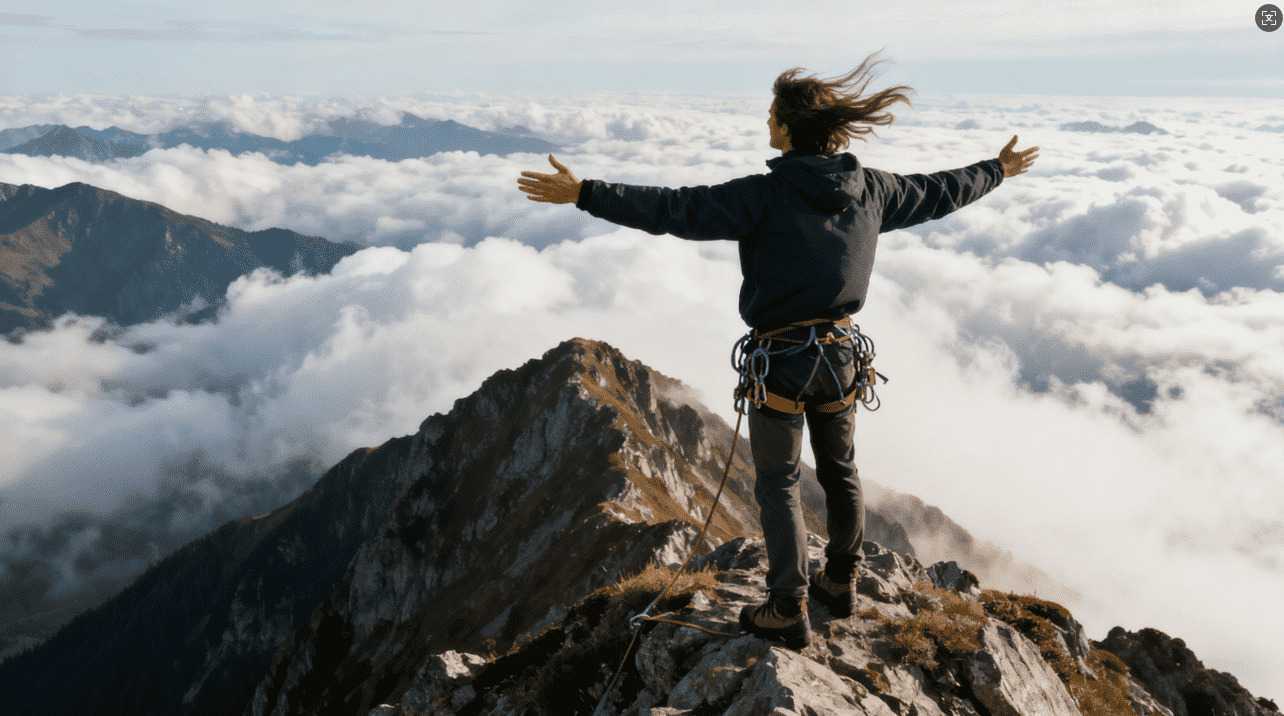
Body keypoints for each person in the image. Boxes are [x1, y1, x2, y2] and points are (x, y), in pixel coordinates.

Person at [515, 51, 1038, 650]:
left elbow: (674, 209)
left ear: (789, 129)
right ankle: (840, 581)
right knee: (841, 470)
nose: (767, 122)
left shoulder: (763, 196)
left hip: (781, 360)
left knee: (780, 482)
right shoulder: (874, 191)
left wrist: (585, 192)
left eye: (772, 116)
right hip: (840, 356)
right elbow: (941, 190)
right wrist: (997, 169)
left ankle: (788, 606)